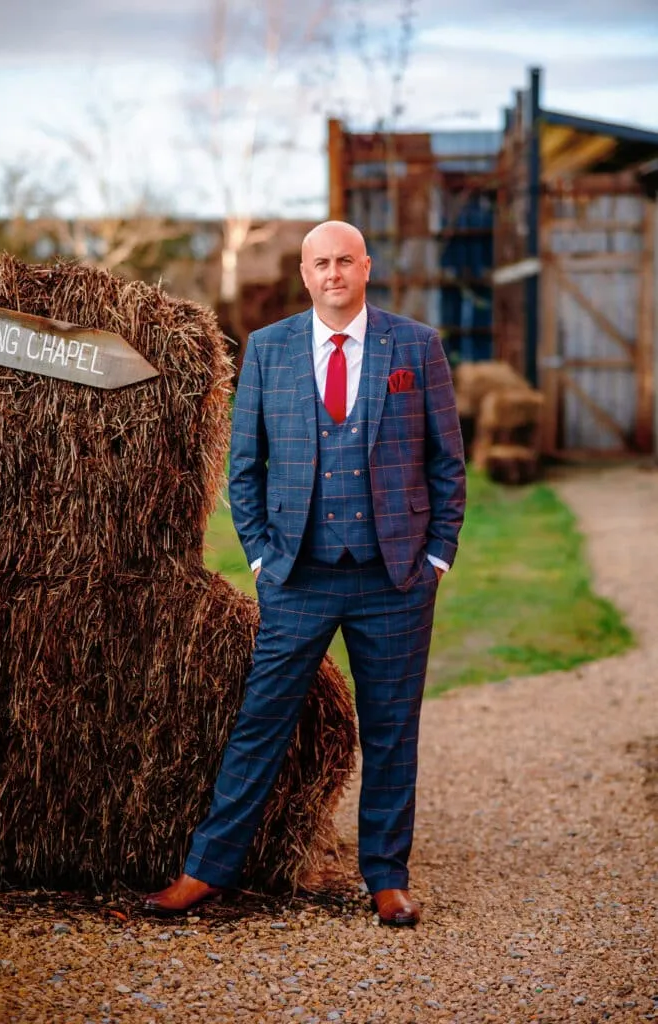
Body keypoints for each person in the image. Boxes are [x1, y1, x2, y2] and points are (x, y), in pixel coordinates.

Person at [145, 220, 466, 926]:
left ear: (365, 268)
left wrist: (433, 557)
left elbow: (446, 464)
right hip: (296, 574)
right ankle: (207, 868)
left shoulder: (415, 346)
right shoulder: (268, 349)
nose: (332, 274)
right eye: (320, 263)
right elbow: (245, 466)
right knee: (260, 722)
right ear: (303, 272)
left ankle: (386, 877)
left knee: (390, 729)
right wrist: (261, 555)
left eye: (344, 262)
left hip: (394, 577)